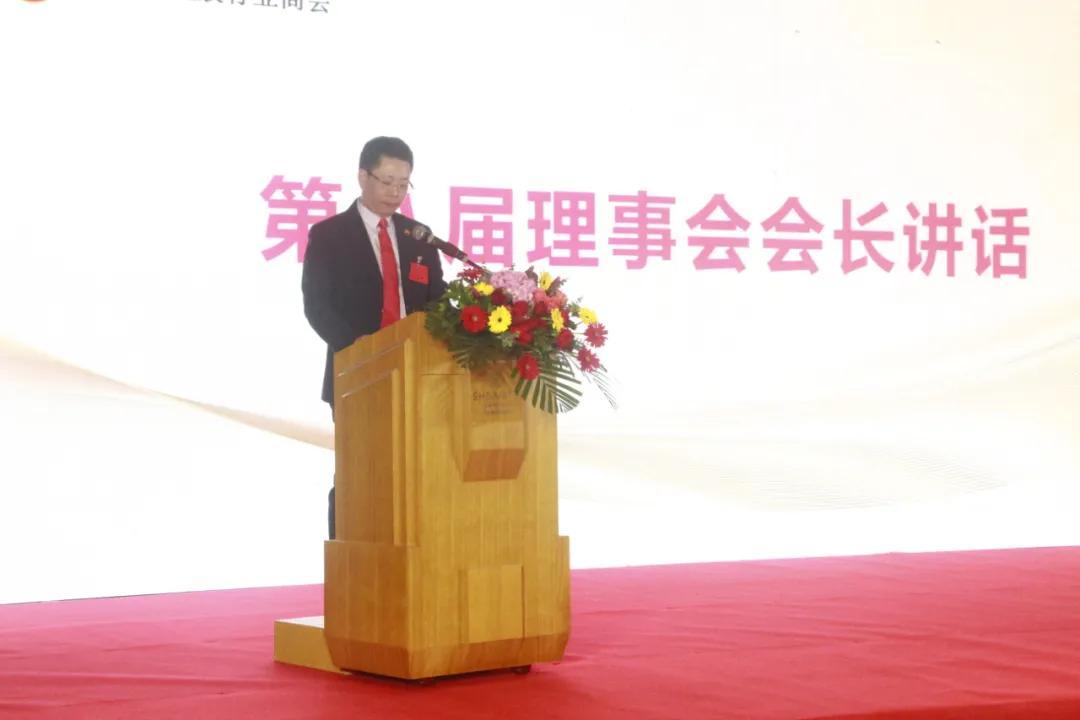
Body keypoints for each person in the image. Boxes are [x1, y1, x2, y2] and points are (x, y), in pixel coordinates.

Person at [301, 136, 447, 539]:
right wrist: (363, 353)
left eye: (403, 184)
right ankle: (348, 558)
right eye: (387, 181)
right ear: (362, 176)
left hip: (417, 376)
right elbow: (318, 306)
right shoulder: (329, 235)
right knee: (358, 475)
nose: (395, 192)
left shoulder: (419, 236)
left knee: (416, 475)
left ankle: (410, 558)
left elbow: (438, 302)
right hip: (357, 376)